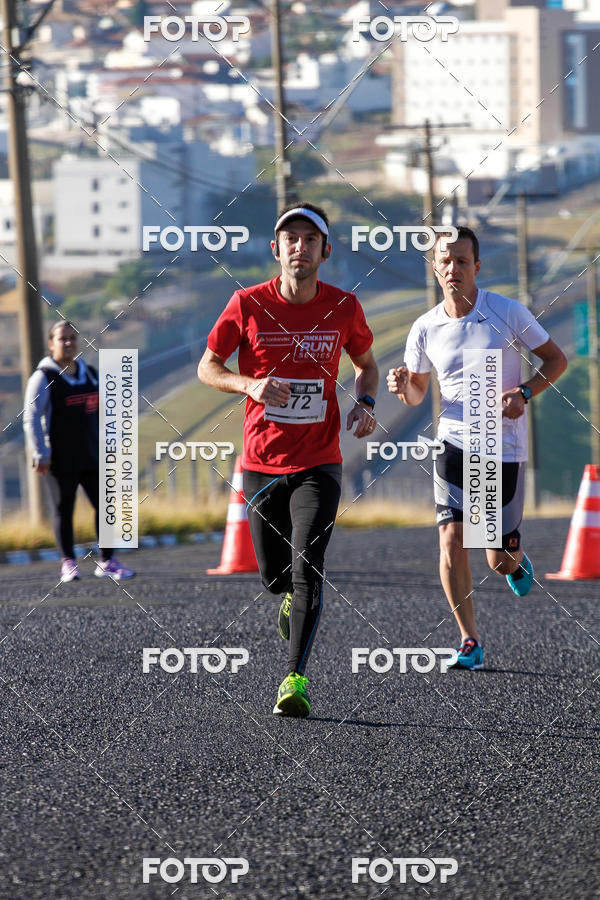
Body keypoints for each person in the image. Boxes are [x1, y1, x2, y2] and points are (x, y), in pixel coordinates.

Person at [198, 202, 379, 716]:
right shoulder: (247, 304)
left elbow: (366, 364)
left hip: (319, 462)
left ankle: (294, 679)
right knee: (275, 578)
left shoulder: (343, 307)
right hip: (261, 462)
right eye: (291, 239)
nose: (300, 247)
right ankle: (285, 596)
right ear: (276, 249)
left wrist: (366, 402)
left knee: (307, 568)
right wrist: (250, 384)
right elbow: (208, 367)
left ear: (326, 250)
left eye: (310, 239)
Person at [387, 226, 567, 669]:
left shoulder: (507, 311)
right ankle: (470, 641)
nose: (453, 269)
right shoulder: (425, 327)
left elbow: (555, 359)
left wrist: (523, 393)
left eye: (462, 261)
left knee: (497, 560)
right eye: (445, 261)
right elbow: (416, 393)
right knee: (451, 540)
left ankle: (516, 562)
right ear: (434, 268)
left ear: (477, 266)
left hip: (498, 445)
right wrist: (404, 386)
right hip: (452, 442)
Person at [23, 321, 135, 583]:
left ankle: (108, 561)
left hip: (92, 454)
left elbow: (106, 411)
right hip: (59, 459)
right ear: (51, 344)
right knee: (64, 510)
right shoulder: (43, 377)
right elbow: (31, 417)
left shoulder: (91, 374)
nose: (69, 343)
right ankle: (69, 564)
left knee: (105, 505)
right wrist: (41, 453)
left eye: (72, 338)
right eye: (62, 339)